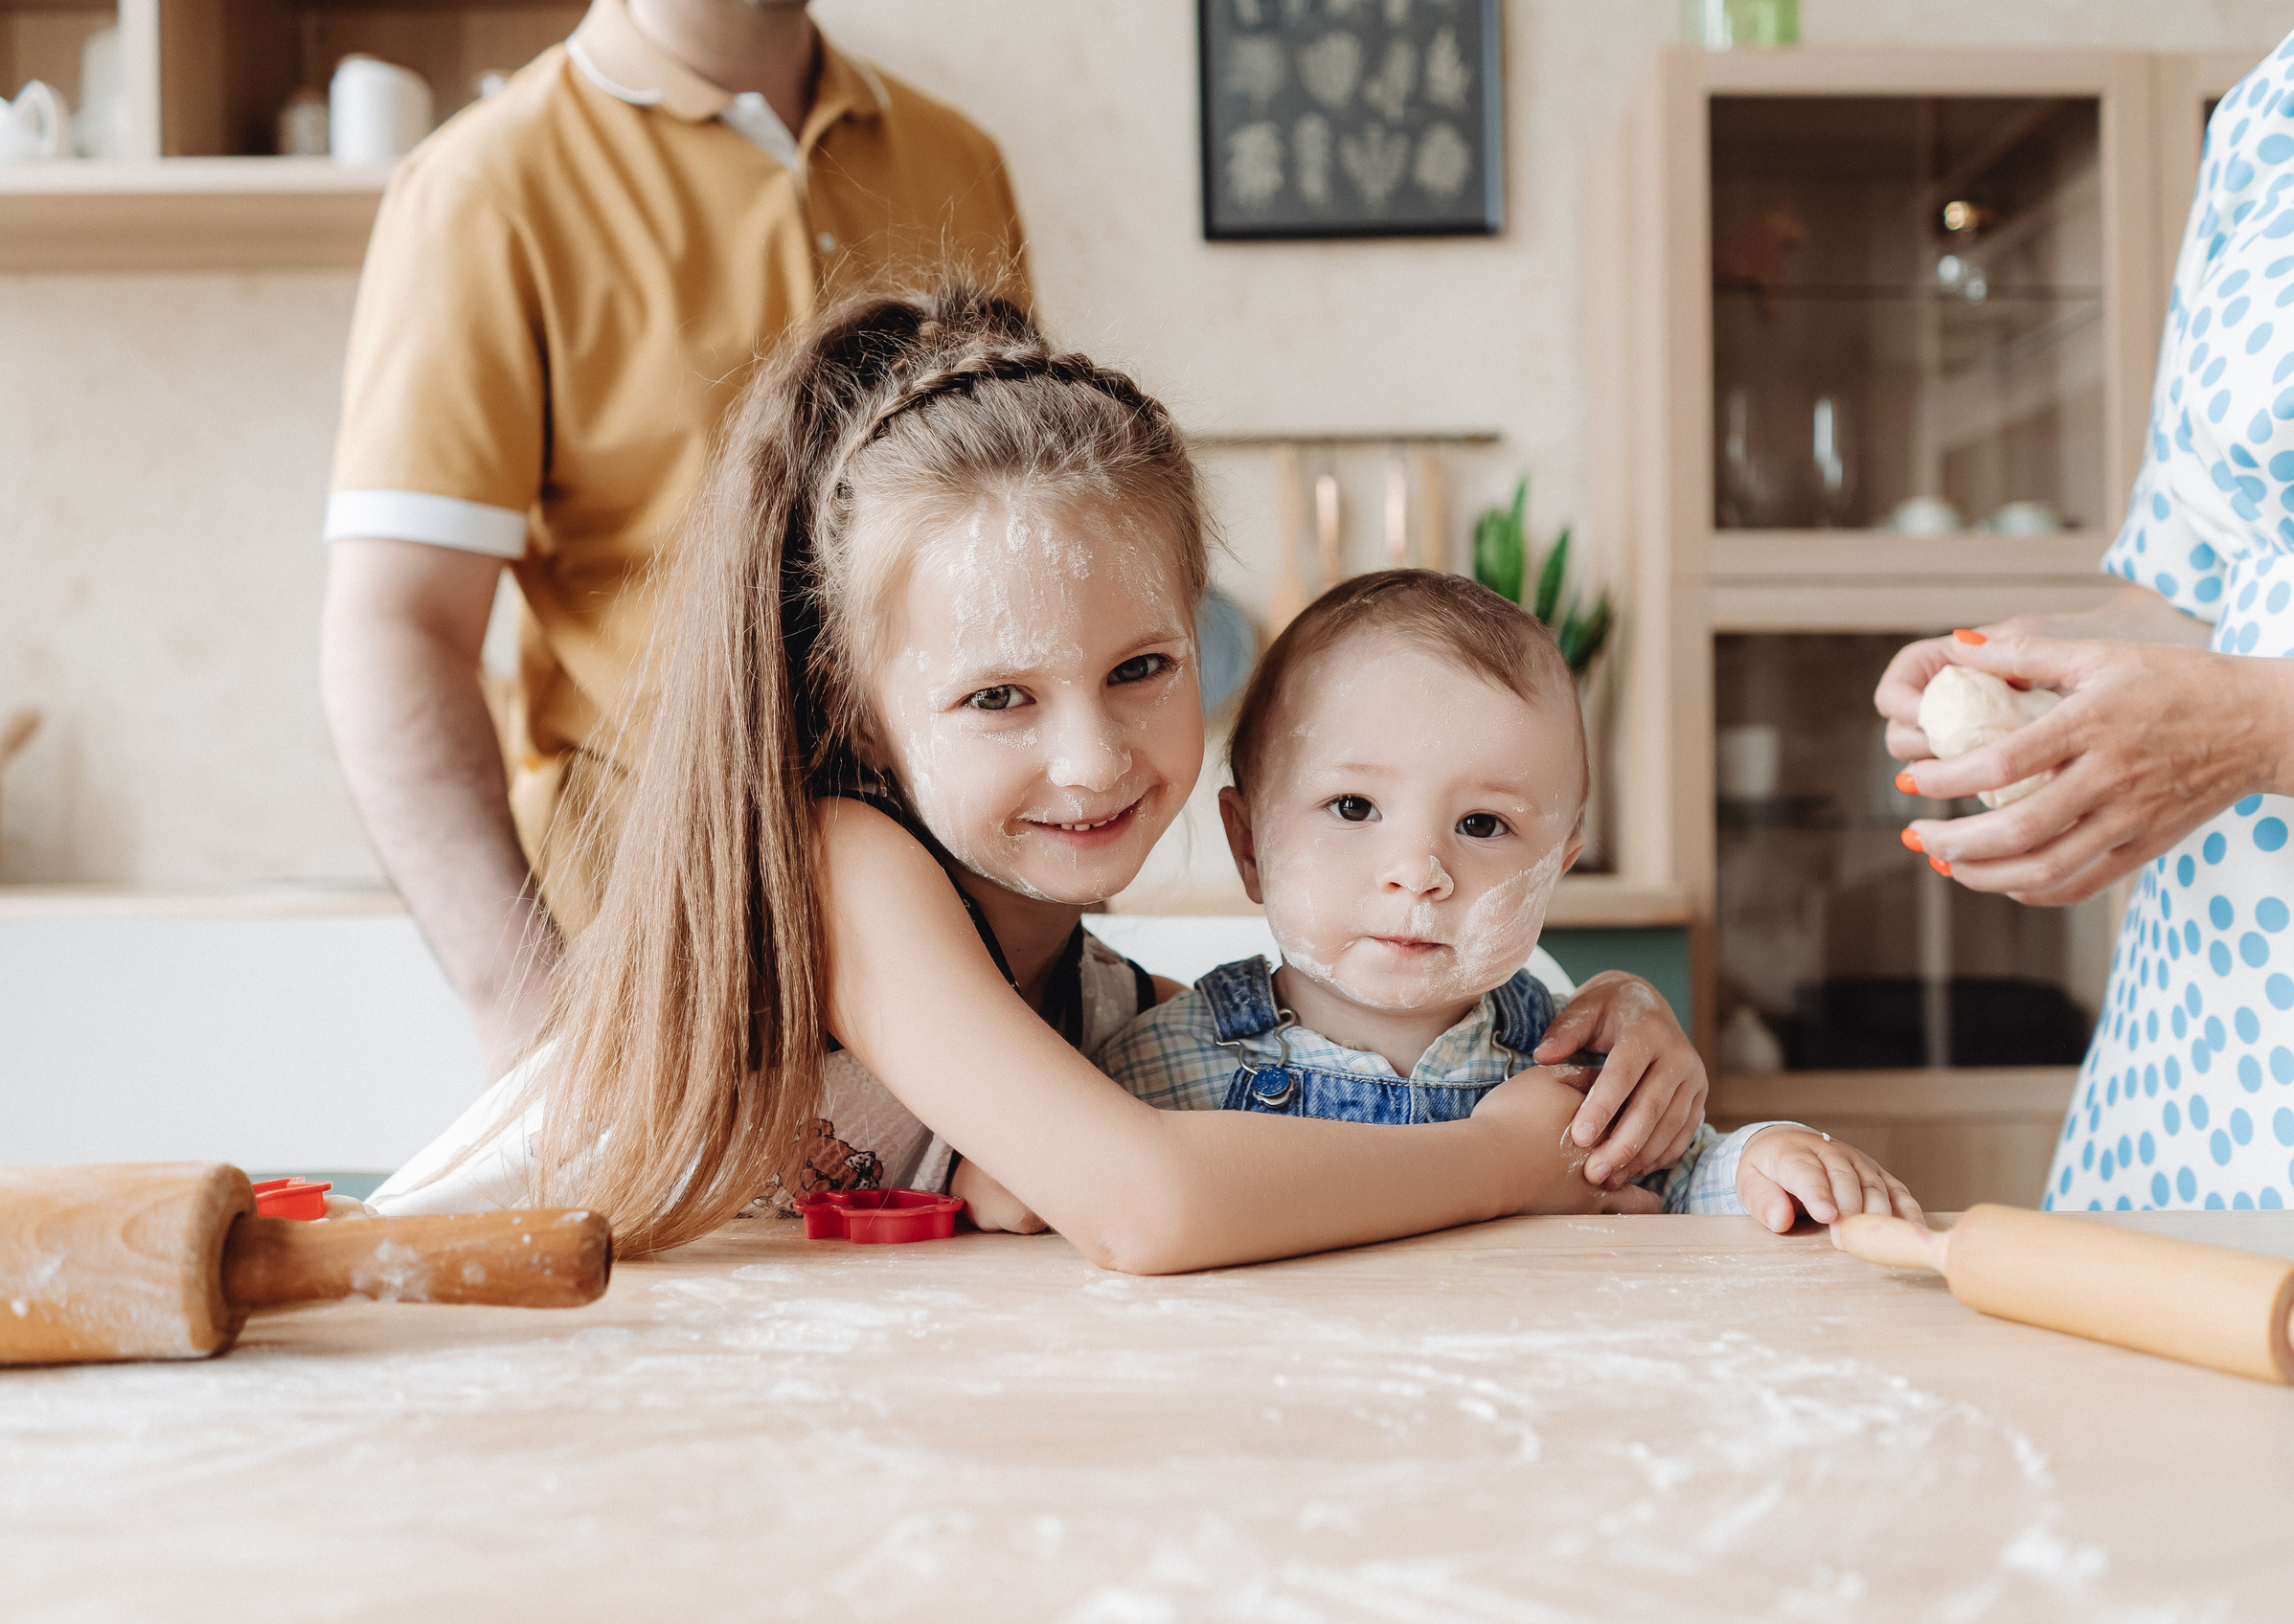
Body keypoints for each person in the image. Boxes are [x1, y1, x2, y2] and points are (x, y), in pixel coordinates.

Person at [372, 286, 1711, 1271]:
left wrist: (1595, 1032)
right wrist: (1508, 1156)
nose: (1091, 757)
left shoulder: (1088, 991)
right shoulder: (844, 866)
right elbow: (1152, 1202)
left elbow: (1314, 1051)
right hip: (423, 1359)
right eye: (998, 697)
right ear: (862, 705)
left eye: (1141, 667)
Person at [320, 0, 1030, 1080]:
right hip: (662, 962)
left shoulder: (956, 155)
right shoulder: (486, 184)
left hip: (964, 947)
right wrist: (530, 1019)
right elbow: (396, 626)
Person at [1876, 0, 2294, 1213]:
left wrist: (2260, 727)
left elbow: (2241, 693)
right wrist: (2027, 681)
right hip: (2223, 1014)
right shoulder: (2283, 100)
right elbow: (2193, 588)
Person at [1066, 570, 1919, 1233]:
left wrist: (1765, 1162)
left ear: (1554, 869)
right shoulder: (1153, 1075)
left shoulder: (1577, 1072)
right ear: (1249, 844)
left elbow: (1686, 1180)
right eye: (1354, 808)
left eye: (1482, 822)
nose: (1419, 871)